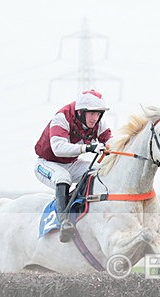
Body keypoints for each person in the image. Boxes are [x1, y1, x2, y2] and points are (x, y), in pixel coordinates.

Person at [34, 89, 113, 242]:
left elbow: (111, 139)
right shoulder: (61, 118)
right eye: (91, 113)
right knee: (63, 177)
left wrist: (111, 147)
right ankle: (64, 222)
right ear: (80, 112)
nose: (95, 118)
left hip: (72, 163)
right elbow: (58, 149)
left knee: (100, 172)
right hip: (47, 163)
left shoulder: (98, 122)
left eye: (98, 114)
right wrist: (88, 148)